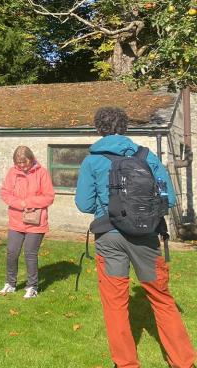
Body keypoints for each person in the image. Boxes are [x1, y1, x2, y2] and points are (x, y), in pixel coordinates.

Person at [75, 107, 196, 368]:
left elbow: (84, 204)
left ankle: (126, 364)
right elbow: (169, 199)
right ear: (125, 127)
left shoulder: (92, 160)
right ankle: (183, 362)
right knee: (162, 299)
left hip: (109, 238)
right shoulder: (147, 156)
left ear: (99, 129)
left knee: (115, 304)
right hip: (147, 237)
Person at [0, 146, 55, 299]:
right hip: (16, 220)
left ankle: (32, 286)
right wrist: (19, 204)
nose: (22, 166)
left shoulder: (42, 173)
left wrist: (29, 202)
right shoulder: (12, 172)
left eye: (24, 162)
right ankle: (10, 283)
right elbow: (5, 193)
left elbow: (49, 196)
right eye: (18, 163)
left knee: (30, 254)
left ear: (31, 158)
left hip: (36, 222)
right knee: (12, 252)